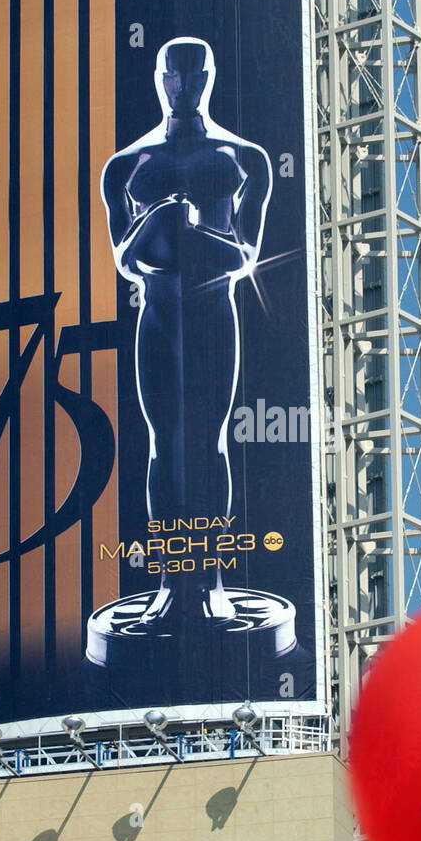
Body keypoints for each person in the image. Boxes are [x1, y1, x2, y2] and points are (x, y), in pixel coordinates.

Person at [101, 38, 272, 627]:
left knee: (208, 441)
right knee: (163, 443)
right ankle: (175, 582)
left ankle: (213, 581)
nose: (183, 84)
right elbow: (125, 256)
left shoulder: (241, 157)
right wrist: (159, 220)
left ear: (209, 77)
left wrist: (191, 229)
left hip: (211, 312)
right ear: (160, 78)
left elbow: (246, 256)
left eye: (194, 73)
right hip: (159, 313)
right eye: (173, 74)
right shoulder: (126, 167)